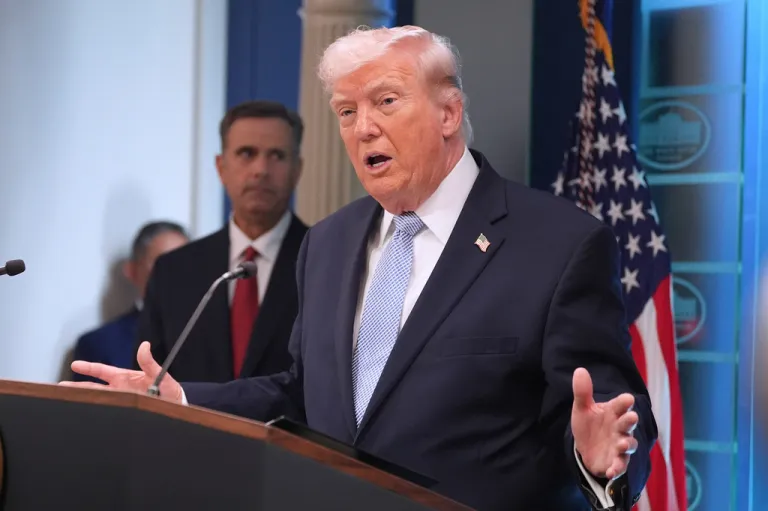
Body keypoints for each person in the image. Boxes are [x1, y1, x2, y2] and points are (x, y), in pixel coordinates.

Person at [65, 26, 656, 510]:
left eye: (386, 102)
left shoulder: (557, 244)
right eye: (346, 111)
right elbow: (300, 393)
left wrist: (600, 459)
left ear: (449, 113)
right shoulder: (327, 242)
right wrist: (182, 399)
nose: (362, 127)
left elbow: (608, 411)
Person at [135, 101, 308, 383]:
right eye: (246, 153)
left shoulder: (326, 263)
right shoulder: (173, 271)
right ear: (221, 167)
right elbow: (149, 381)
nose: (261, 170)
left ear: (297, 170)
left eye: (277, 155)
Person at [72, 221, 188, 382]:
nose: (175, 274)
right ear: (132, 271)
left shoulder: (211, 334)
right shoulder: (100, 344)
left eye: (183, 264)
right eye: (163, 264)